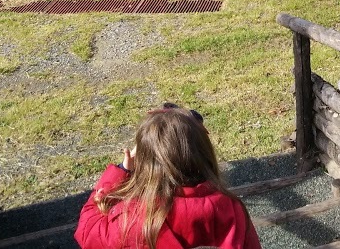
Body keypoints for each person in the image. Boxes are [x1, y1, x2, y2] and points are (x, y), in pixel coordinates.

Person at [75, 104, 261, 249]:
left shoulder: (130, 219)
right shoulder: (230, 208)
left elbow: (87, 231)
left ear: (144, 163)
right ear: (205, 155)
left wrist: (120, 172)